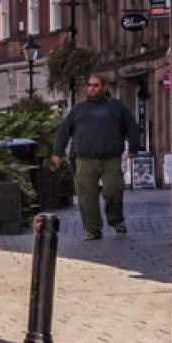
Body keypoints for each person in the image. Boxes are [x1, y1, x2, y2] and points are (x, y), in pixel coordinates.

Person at [52, 75, 142, 240]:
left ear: (104, 87)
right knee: (86, 196)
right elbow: (63, 131)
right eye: (90, 85)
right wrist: (57, 152)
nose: (92, 88)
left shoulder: (116, 108)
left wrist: (134, 148)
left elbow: (132, 127)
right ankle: (93, 229)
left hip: (111, 158)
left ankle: (116, 221)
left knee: (113, 190)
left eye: (96, 85)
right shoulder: (79, 110)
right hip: (85, 159)